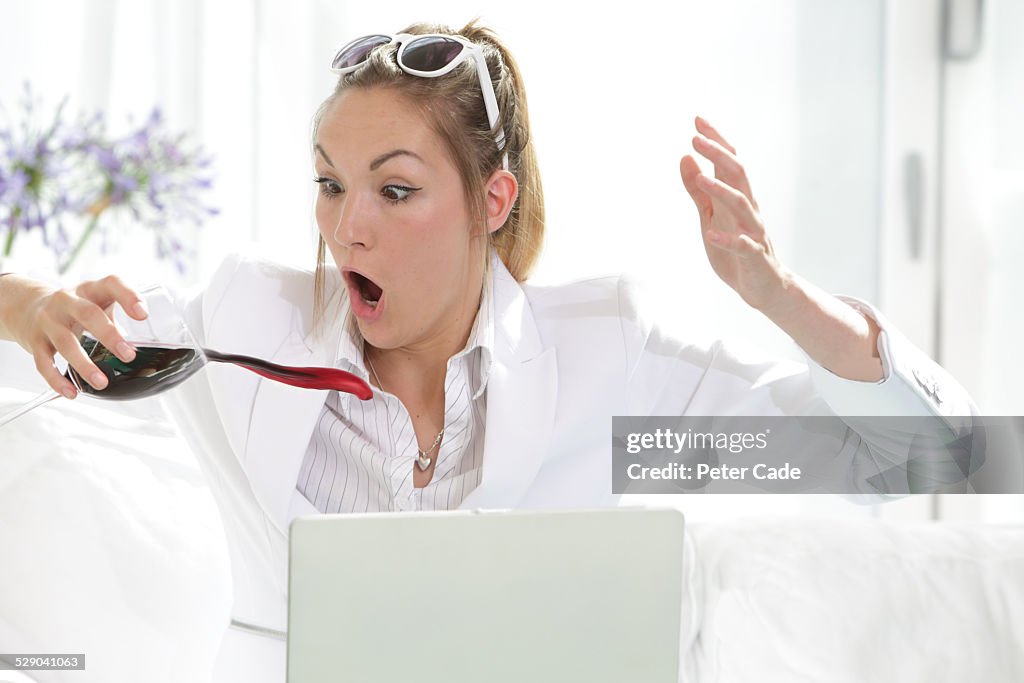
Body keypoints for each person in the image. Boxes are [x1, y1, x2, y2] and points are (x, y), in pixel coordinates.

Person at [0, 20, 973, 682]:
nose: (346, 230)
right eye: (329, 184)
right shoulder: (244, 322)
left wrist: (774, 290)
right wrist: (35, 297)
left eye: (393, 189)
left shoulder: (608, 369)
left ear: (489, 201)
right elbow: (52, 348)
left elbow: (926, 454)